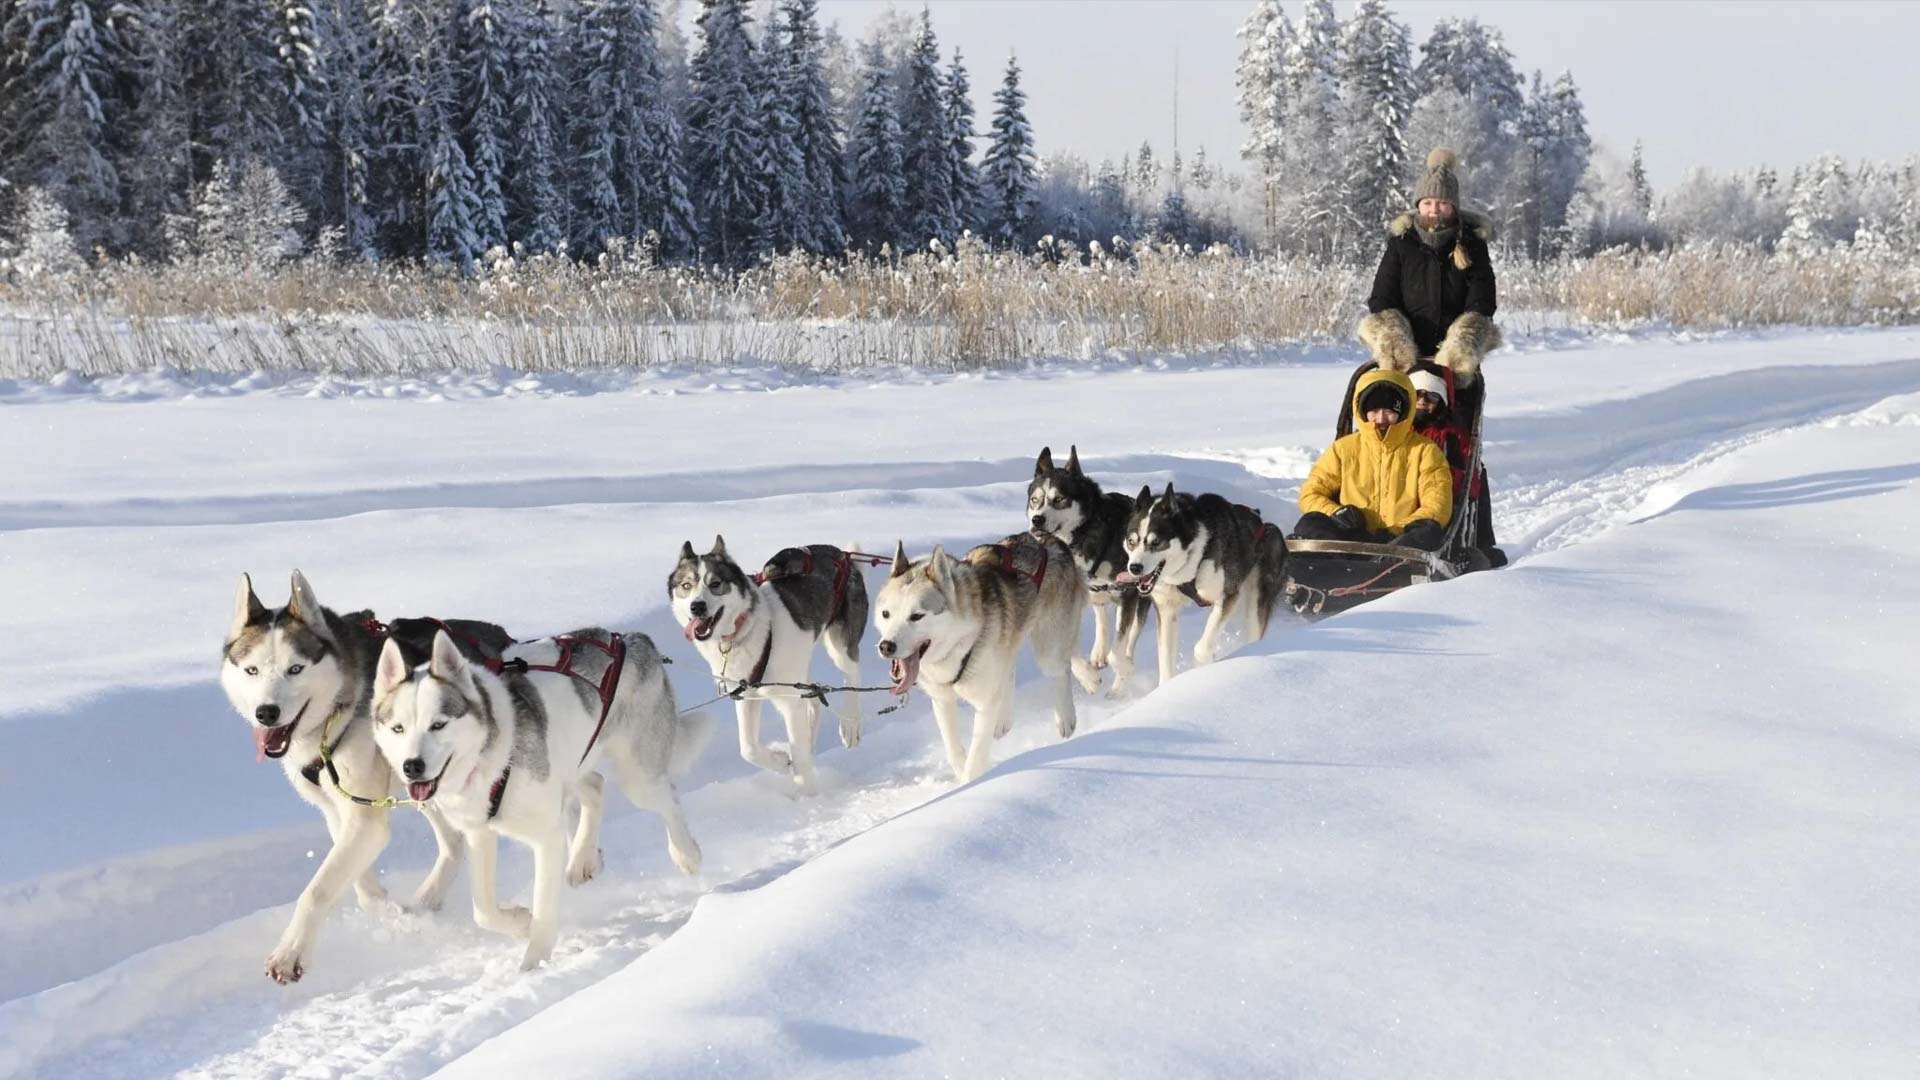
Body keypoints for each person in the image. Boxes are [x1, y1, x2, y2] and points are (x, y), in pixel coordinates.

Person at [1293, 369, 1452, 551]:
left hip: (1400, 540)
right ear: (1361, 411)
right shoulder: (1343, 449)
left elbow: (1437, 506)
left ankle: (1387, 564)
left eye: (1390, 411)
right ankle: (1317, 566)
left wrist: (1396, 530)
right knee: (1311, 522)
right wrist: (1337, 513)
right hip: (1348, 537)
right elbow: (1310, 494)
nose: (1381, 418)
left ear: (1405, 412)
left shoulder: (1425, 450)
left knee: (1428, 530)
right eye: (1374, 410)